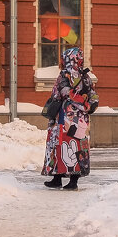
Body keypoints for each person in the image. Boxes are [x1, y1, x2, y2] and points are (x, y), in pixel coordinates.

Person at [42, 47, 99, 190]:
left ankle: (59, 179)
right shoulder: (86, 77)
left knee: (61, 145)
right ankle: (69, 180)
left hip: (64, 118)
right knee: (77, 148)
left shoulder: (64, 75)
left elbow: (62, 93)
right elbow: (94, 97)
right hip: (80, 120)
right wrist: (87, 106)